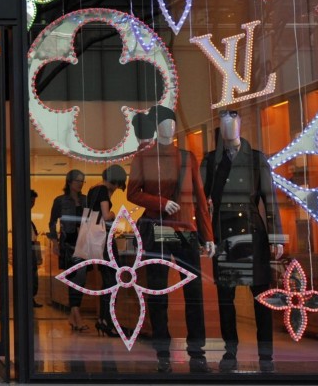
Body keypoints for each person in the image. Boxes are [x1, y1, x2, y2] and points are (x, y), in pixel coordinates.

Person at [127, 105, 215, 374]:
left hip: (185, 230)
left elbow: (200, 200)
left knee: (194, 291)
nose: (170, 126)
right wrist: (161, 203)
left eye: (172, 122)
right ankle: (162, 348)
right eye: (164, 122)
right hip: (159, 228)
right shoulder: (143, 157)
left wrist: (207, 235)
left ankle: (196, 349)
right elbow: (133, 193)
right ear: (156, 126)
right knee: (157, 290)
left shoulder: (188, 158)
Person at [201, 109, 283, 374]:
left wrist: (276, 236)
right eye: (223, 124)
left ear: (239, 126)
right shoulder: (211, 161)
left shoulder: (256, 159)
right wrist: (205, 236)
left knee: (261, 297)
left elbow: (269, 199)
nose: (228, 129)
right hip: (223, 235)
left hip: (252, 233)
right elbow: (202, 204)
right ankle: (230, 350)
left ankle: (266, 354)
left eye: (232, 124)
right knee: (226, 298)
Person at [86, 164, 127, 337]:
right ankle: (108, 322)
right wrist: (115, 213)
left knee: (108, 280)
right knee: (113, 281)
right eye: (118, 185)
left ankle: (103, 320)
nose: (117, 189)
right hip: (104, 240)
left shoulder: (93, 189)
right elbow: (105, 215)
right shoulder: (103, 190)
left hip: (95, 239)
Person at [48, 169, 86, 331]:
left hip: (83, 243)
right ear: (69, 182)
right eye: (78, 180)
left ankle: (73, 315)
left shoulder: (86, 200)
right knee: (73, 278)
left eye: (82, 181)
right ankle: (77, 314)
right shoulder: (60, 201)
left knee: (81, 279)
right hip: (68, 244)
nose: (80, 184)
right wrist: (55, 242)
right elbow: (52, 223)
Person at [29, 189, 42, 308]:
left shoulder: (27, 217)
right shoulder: (23, 217)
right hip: (29, 248)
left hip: (32, 247)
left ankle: (31, 298)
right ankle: (29, 298)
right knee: (31, 274)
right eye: (32, 201)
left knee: (33, 273)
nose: (33, 203)